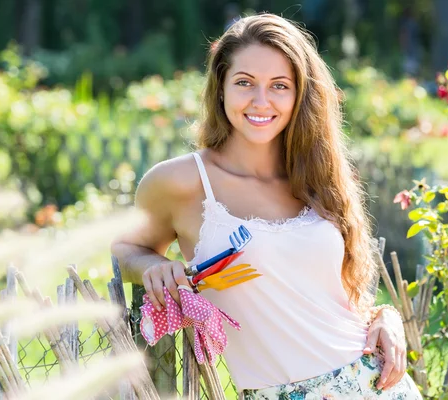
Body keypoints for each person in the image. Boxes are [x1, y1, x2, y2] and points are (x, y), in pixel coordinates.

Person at [111, 13, 423, 399]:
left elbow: (337, 293)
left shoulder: (318, 179)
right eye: (245, 83)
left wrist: (386, 317)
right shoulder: (181, 183)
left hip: (376, 384)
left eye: (280, 86)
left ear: (300, 95)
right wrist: (152, 265)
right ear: (221, 87)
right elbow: (125, 249)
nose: (261, 101)